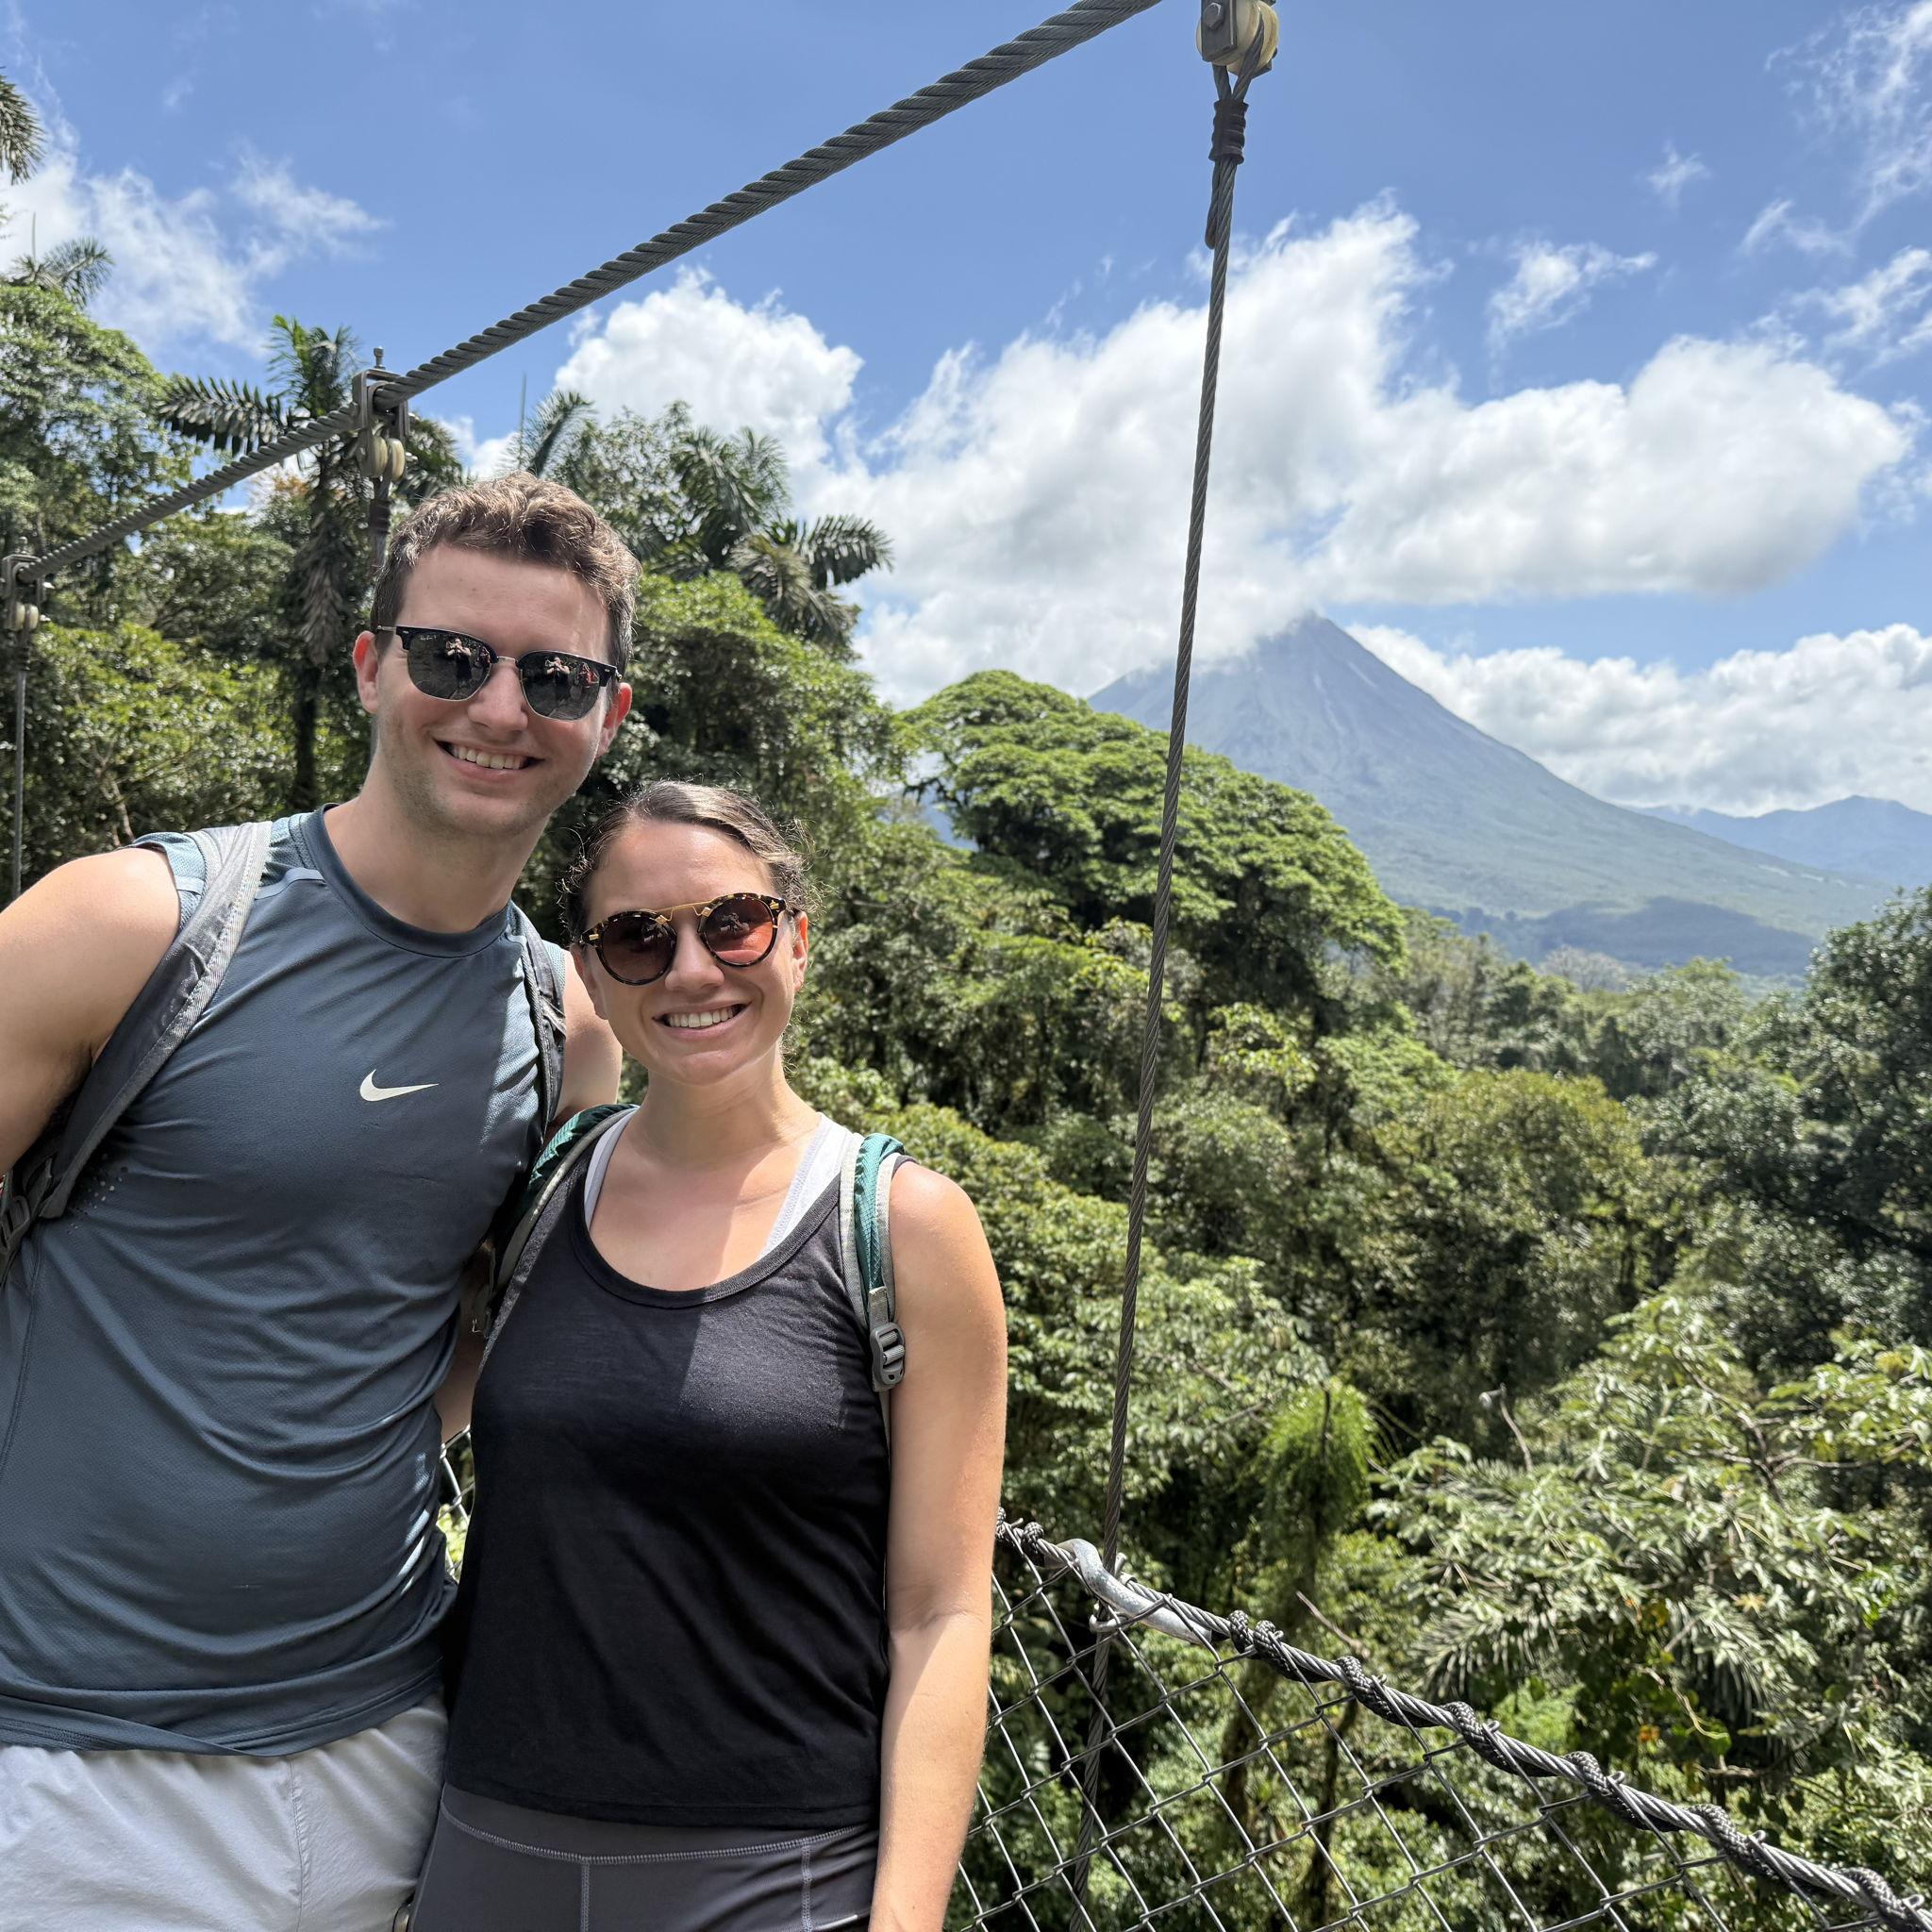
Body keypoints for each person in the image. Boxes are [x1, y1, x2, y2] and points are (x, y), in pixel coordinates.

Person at [0, 474, 637, 1932]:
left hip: (388, 1740)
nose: (499, 707)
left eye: (555, 677)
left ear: (605, 715)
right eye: (452, 657)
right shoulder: (133, 924)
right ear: (369, 666)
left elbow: (498, 1330)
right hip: (69, 1760)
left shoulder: (568, 1026)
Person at [410, 780, 1008, 1932]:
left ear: (796, 937)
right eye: (638, 937)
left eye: (732, 922)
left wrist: (904, 1918)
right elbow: (383, 1397)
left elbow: (938, 1610)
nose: (691, 969)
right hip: (491, 1841)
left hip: (776, 1878)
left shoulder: (903, 1228)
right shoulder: (542, 1187)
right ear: (591, 978)